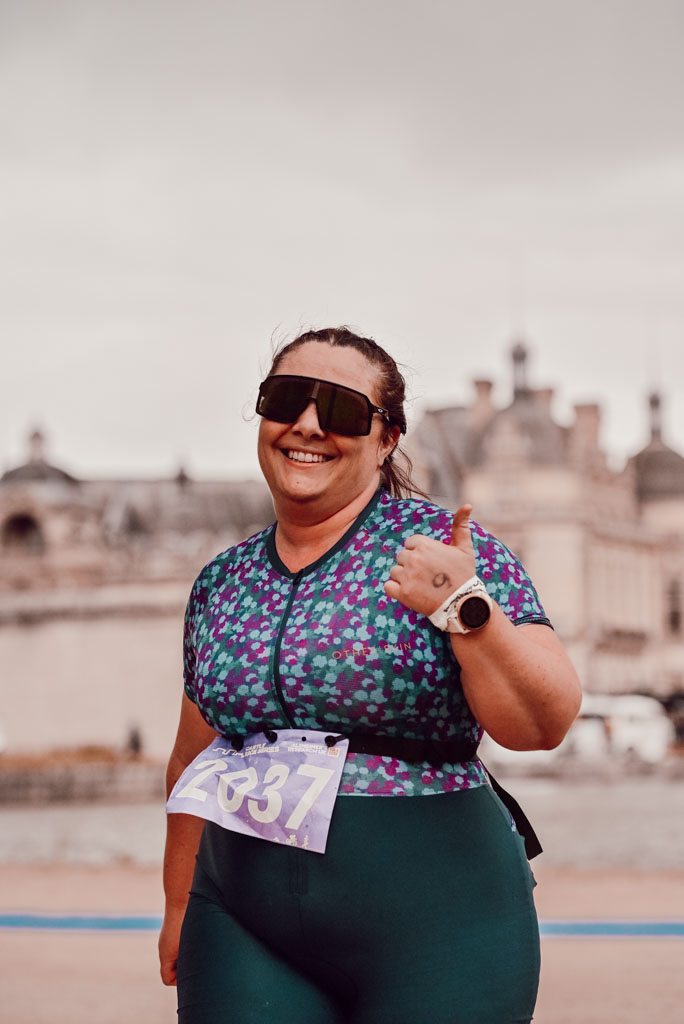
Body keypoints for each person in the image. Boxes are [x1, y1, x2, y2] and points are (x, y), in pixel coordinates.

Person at [159, 326, 581, 1024]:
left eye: (344, 410)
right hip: (240, 925)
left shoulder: (445, 551)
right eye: (286, 399)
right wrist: (178, 903)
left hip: (440, 924)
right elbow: (192, 756)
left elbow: (545, 723)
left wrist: (462, 607)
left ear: (387, 440)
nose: (309, 425)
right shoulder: (222, 582)